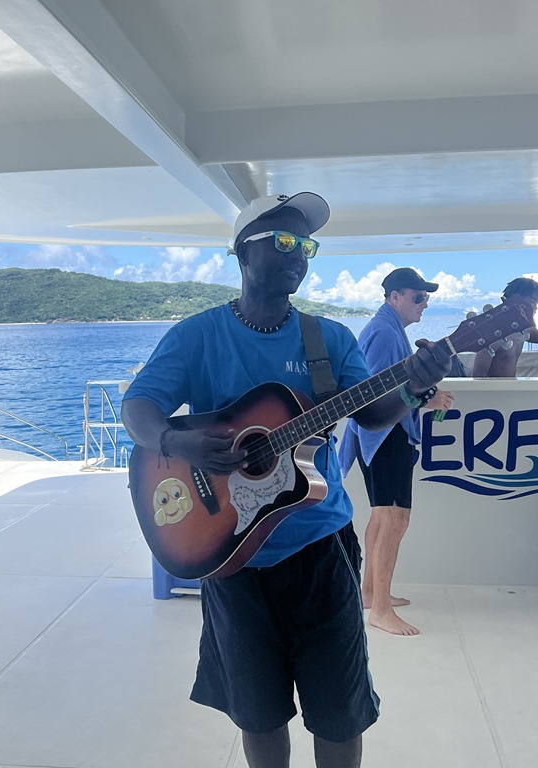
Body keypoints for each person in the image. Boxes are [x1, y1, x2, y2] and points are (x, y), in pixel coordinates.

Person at [121, 194, 451, 768]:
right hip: (230, 555)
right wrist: (177, 441)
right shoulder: (197, 336)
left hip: (321, 548)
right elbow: (139, 407)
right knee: (258, 714)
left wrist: (414, 386)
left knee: (340, 713)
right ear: (241, 253)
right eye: (282, 241)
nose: (298, 253)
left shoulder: (329, 340)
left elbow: (372, 415)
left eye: (306, 245)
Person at [339, 268, 454, 637]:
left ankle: (371, 594)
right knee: (395, 519)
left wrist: (422, 395)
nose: (424, 304)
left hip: (379, 437)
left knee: (382, 516)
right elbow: (373, 395)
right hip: (387, 437)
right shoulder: (386, 333)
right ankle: (381, 611)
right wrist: (428, 398)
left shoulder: (386, 329)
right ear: (394, 297)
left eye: (427, 298)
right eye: (418, 297)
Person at [472, 277, 538, 377]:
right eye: (532, 301)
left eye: (536, 302)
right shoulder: (493, 332)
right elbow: (478, 374)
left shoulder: (523, 329)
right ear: (510, 301)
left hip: (511, 386)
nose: (535, 307)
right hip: (493, 387)